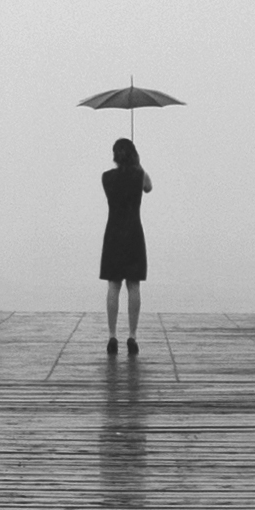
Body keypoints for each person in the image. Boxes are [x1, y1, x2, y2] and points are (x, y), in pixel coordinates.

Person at [94, 133, 151, 355]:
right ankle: (133, 336)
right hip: (134, 233)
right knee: (134, 286)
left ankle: (112, 335)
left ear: (115, 157)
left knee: (113, 286)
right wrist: (138, 165)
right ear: (133, 155)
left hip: (113, 235)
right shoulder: (140, 175)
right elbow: (149, 187)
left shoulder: (106, 177)